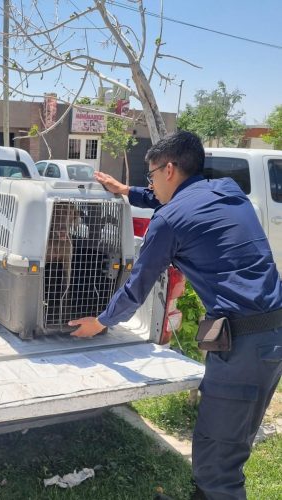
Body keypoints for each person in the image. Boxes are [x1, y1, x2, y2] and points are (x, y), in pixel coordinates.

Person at [69, 131, 282, 500]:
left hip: (244, 345)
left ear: (169, 169)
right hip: (270, 334)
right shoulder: (228, 190)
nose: (149, 183)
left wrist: (100, 322)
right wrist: (127, 191)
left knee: (219, 460)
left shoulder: (169, 221)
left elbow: (137, 286)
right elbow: (172, 198)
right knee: (228, 441)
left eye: (150, 175)